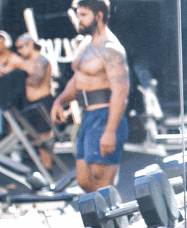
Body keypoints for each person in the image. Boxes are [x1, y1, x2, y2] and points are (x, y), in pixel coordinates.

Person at [51, 0, 129, 193]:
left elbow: (120, 92)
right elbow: (78, 79)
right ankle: (116, 211)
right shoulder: (86, 44)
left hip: (105, 116)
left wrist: (110, 131)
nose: (79, 20)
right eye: (78, 15)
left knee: (102, 183)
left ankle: (118, 213)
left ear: (99, 16)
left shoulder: (111, 49)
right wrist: (60, 101)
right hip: (87, 117)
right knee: (84, 181)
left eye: (84, 15)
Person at [16, 33, 56, 170]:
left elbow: (35, 80)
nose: (19, 51)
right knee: (33, 137)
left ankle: (47, 168)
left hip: (43, 101)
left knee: (44, 136)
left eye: (21, 47)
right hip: (29, 103)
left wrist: (18, 74)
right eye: (17, 48)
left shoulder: (41, 61)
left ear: (30, 44)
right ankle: (42, 167)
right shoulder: (25, 62)